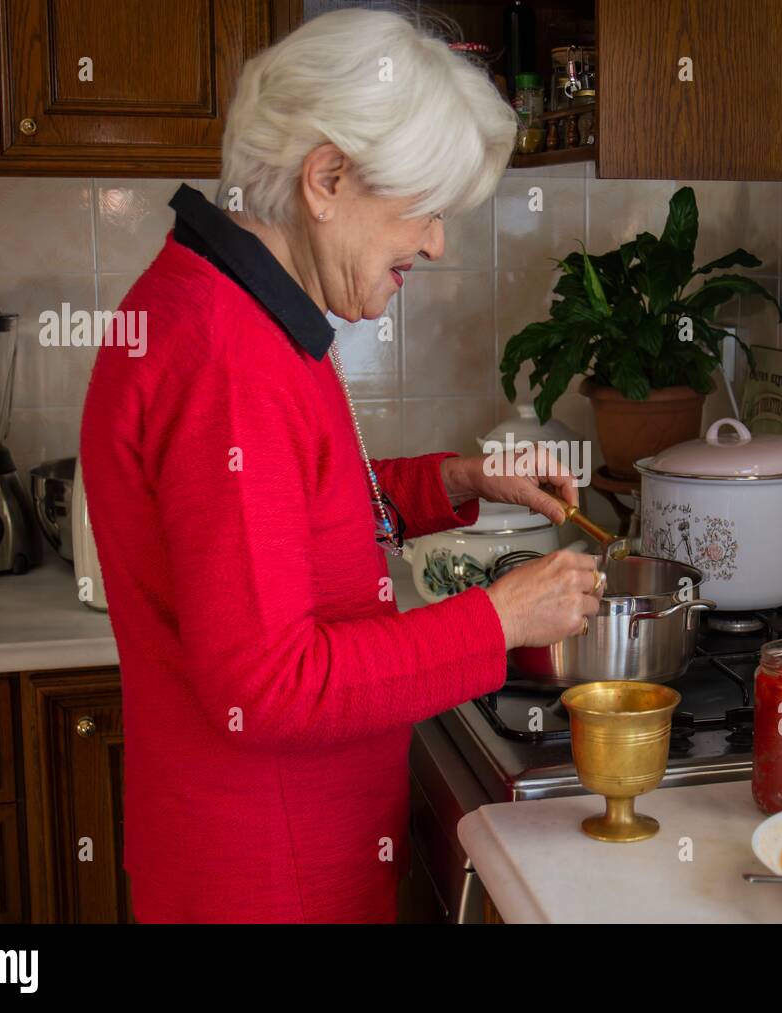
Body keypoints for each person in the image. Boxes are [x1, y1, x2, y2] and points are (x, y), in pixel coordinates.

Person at [80, 8, 603, 923]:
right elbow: (271, 684)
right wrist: (498, 617)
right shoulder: (226, 354)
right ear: (327, 178)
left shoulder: (241, 305)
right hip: (270, 878)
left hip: (273, 855)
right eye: (426, 208)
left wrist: (457, 483)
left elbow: (295, 512)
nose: (437, 243)